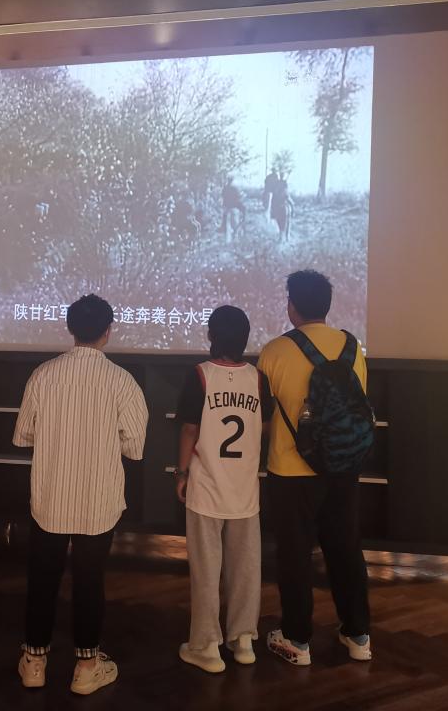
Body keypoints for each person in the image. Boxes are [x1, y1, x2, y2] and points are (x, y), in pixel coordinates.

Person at [13, 294, 149, 696]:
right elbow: (134, 447)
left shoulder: (43, 375)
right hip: (98, 501)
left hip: (50, 498)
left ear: (70, 328)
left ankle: (34, 662)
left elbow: (24, 435)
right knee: (90, 582)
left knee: (42, 580)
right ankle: (87, 668)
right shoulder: (122, 381)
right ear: (108, 331)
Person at [257, 270, 372, 666]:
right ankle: (358, 635)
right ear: (327, 305)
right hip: (343, 466)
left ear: (292, 306)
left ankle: (297, 640)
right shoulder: (353, 348)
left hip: (291, 472)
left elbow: (264, 415)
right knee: (346, 550)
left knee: (294, 556)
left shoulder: (274, 351)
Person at [174, 306, 272, 673]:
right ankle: (243, 639)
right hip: (244, 488)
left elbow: (189, 429)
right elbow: (263, 425)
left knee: (206, 569)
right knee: (245, 568)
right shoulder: (258, 379)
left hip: (206, 486)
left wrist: (181, 473)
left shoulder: (200, 374)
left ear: (211, 335)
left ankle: (206, 646)